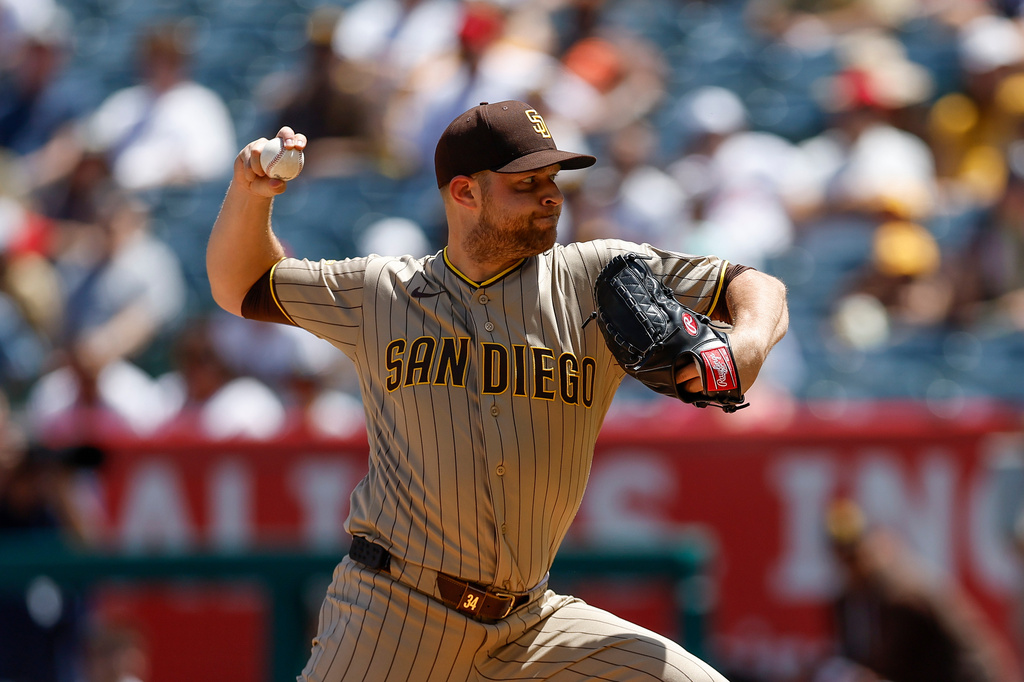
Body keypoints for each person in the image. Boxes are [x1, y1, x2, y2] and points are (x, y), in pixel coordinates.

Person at [206, 100, 789, 681]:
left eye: (553, 180)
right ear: (465, 193)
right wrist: (251, 194)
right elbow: (243, 285)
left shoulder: (598, 277)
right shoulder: (383, 292)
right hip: (393, 615)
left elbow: (752, 284)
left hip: (531, 624)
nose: (552, 195)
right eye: (527, 183)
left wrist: (749, 343)